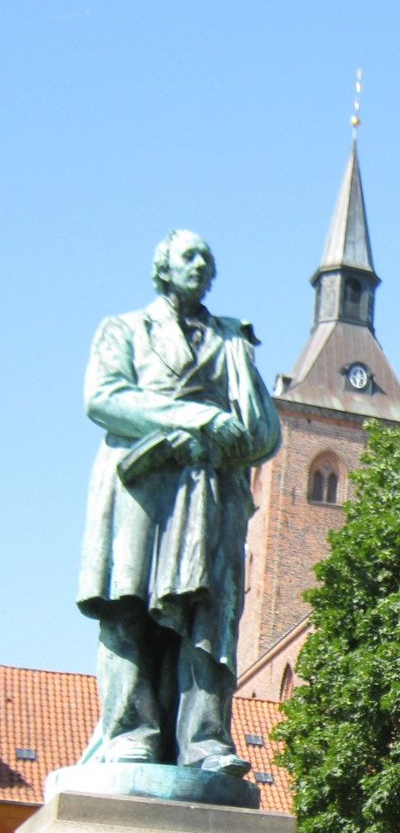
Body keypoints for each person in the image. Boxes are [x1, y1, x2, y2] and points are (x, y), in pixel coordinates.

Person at [77, 229, 281, 776]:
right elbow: (103, 397)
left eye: (209, 260)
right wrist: (194, 417)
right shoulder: (124, 329)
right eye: (190, 256)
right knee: (129, 608)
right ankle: (130, 733)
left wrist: (227, 436)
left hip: (210, 492)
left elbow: (265, 432)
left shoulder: (231, 342)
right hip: (142, 488)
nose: (202, 266)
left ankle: (205, 740)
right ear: (162, 268)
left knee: (209, 618)